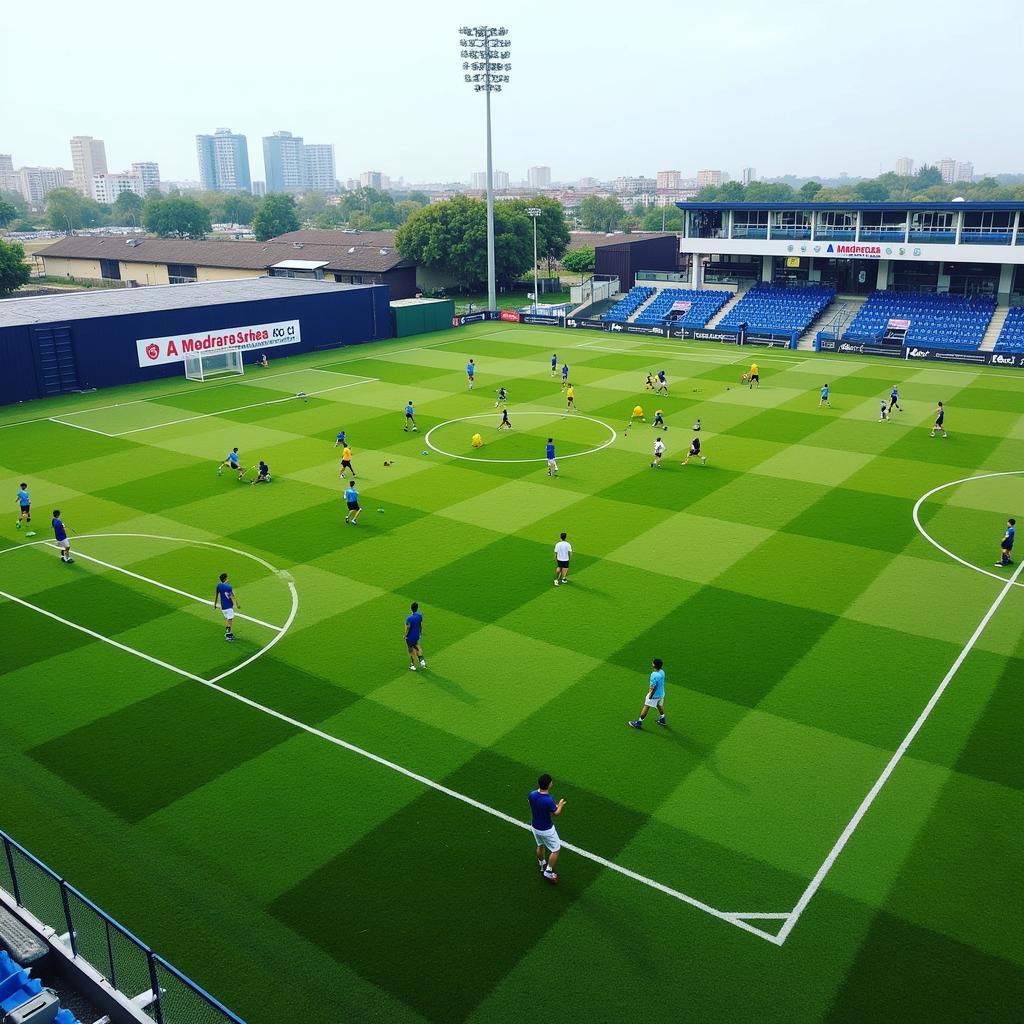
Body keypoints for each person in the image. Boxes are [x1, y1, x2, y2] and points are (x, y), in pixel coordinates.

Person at [528, 773, 565, 884]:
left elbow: (530, 803)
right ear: (549, 785)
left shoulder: (532, 794)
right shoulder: (548, 799)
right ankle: (548, 871)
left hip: (535, 826)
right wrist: (561, 805)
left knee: (540, 845)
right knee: (556, 849)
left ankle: (541, 863)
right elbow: (556, 813)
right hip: (547, 829)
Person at [629, 658, 666, 729]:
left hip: (654, 695)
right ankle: (662, 719)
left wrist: (650, 695)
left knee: (646, 706)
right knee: (659, 705)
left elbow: (653, 687)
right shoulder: (662, 672)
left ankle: (638, 723)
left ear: (654, 665)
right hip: (661, 693)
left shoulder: (654, 675)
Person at [213, 572, 238, 642]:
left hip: (223, 607)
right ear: (225, 578)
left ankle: (229, 633)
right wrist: (236, 604)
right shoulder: (229, 587)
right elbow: (232, 596)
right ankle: (228, 635)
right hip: (229, 607)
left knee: (229, 619)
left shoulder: (218, 585)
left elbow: (216, 595)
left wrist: (215, 604)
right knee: (230, 620)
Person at [405, 600, 426, 670]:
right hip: (417, 635)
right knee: (417, 646)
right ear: (417, 608)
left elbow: (408, 627)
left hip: (410, 637)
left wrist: (405, 635)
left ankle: (412, 665)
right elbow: (421, 624)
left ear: (411, 608)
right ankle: (422, 660)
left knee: (411, 650)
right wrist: (420, 631)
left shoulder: (409, 618)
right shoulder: (420, 615)